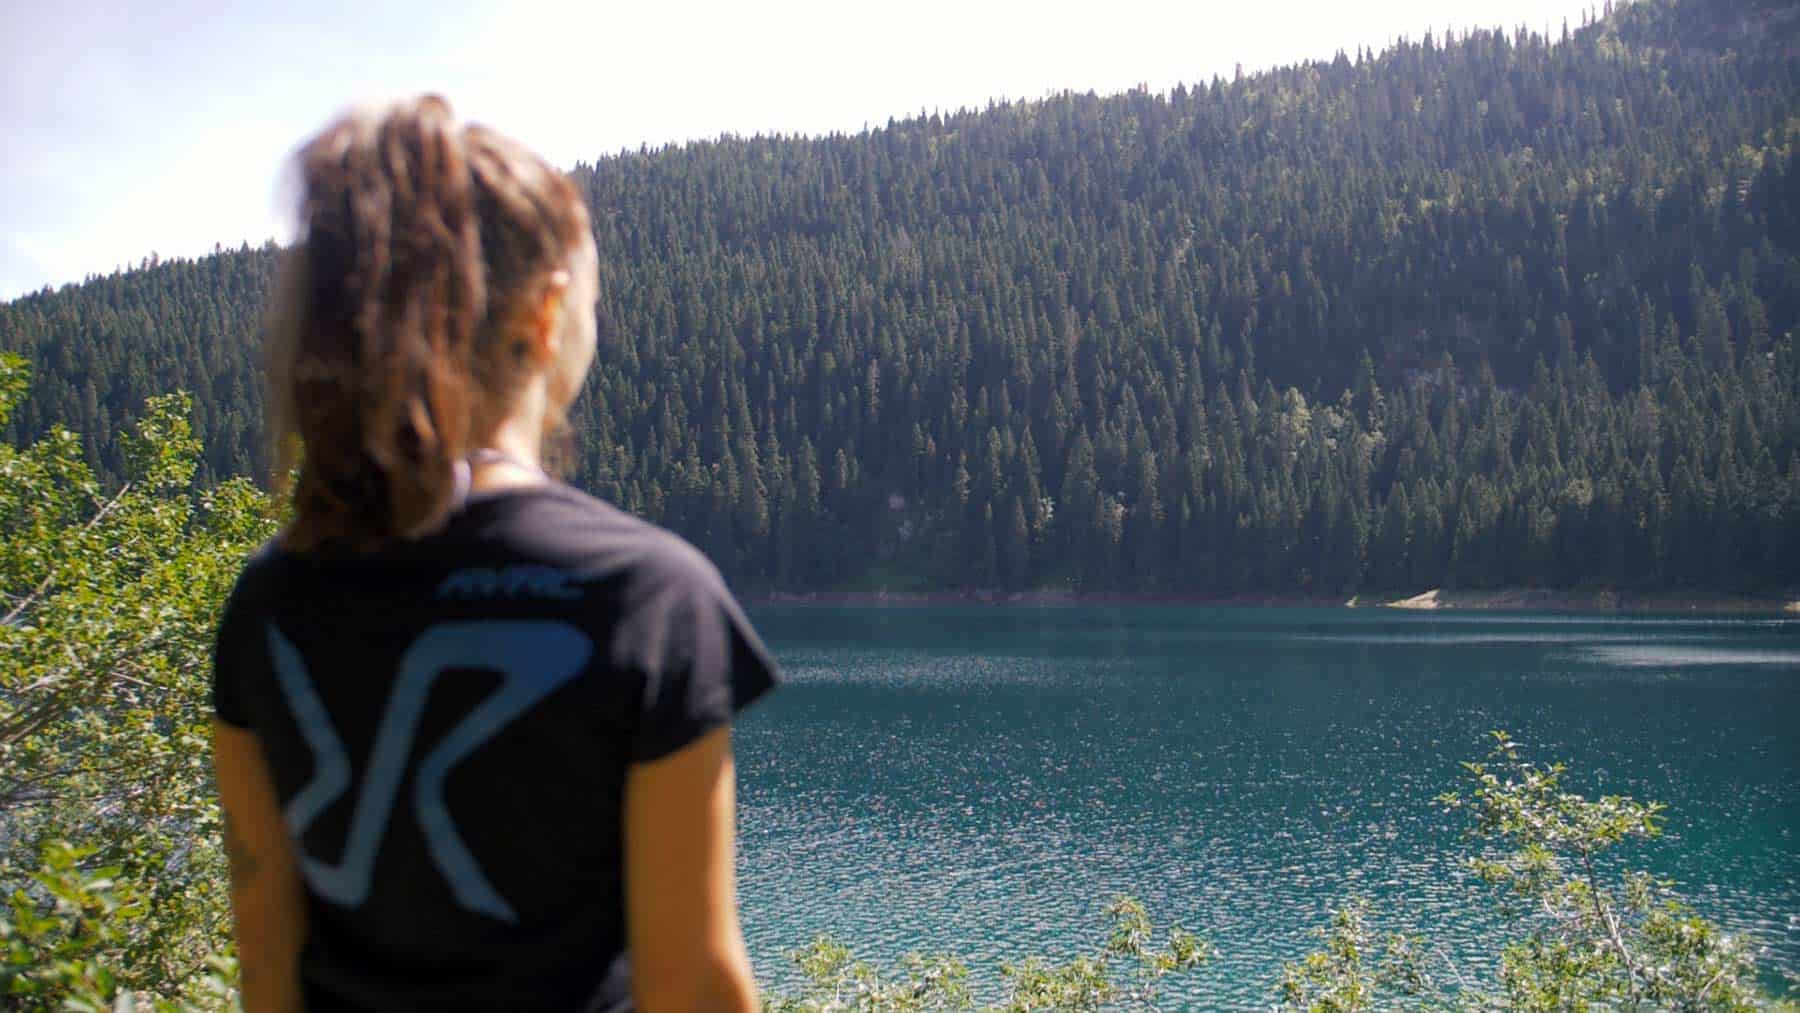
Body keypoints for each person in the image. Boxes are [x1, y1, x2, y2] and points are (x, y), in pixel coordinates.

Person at [210, 95, 777, 1012]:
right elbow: (694, 984)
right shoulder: (647, 596)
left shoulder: (269, 602)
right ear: (549, 313)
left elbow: (267, 980)